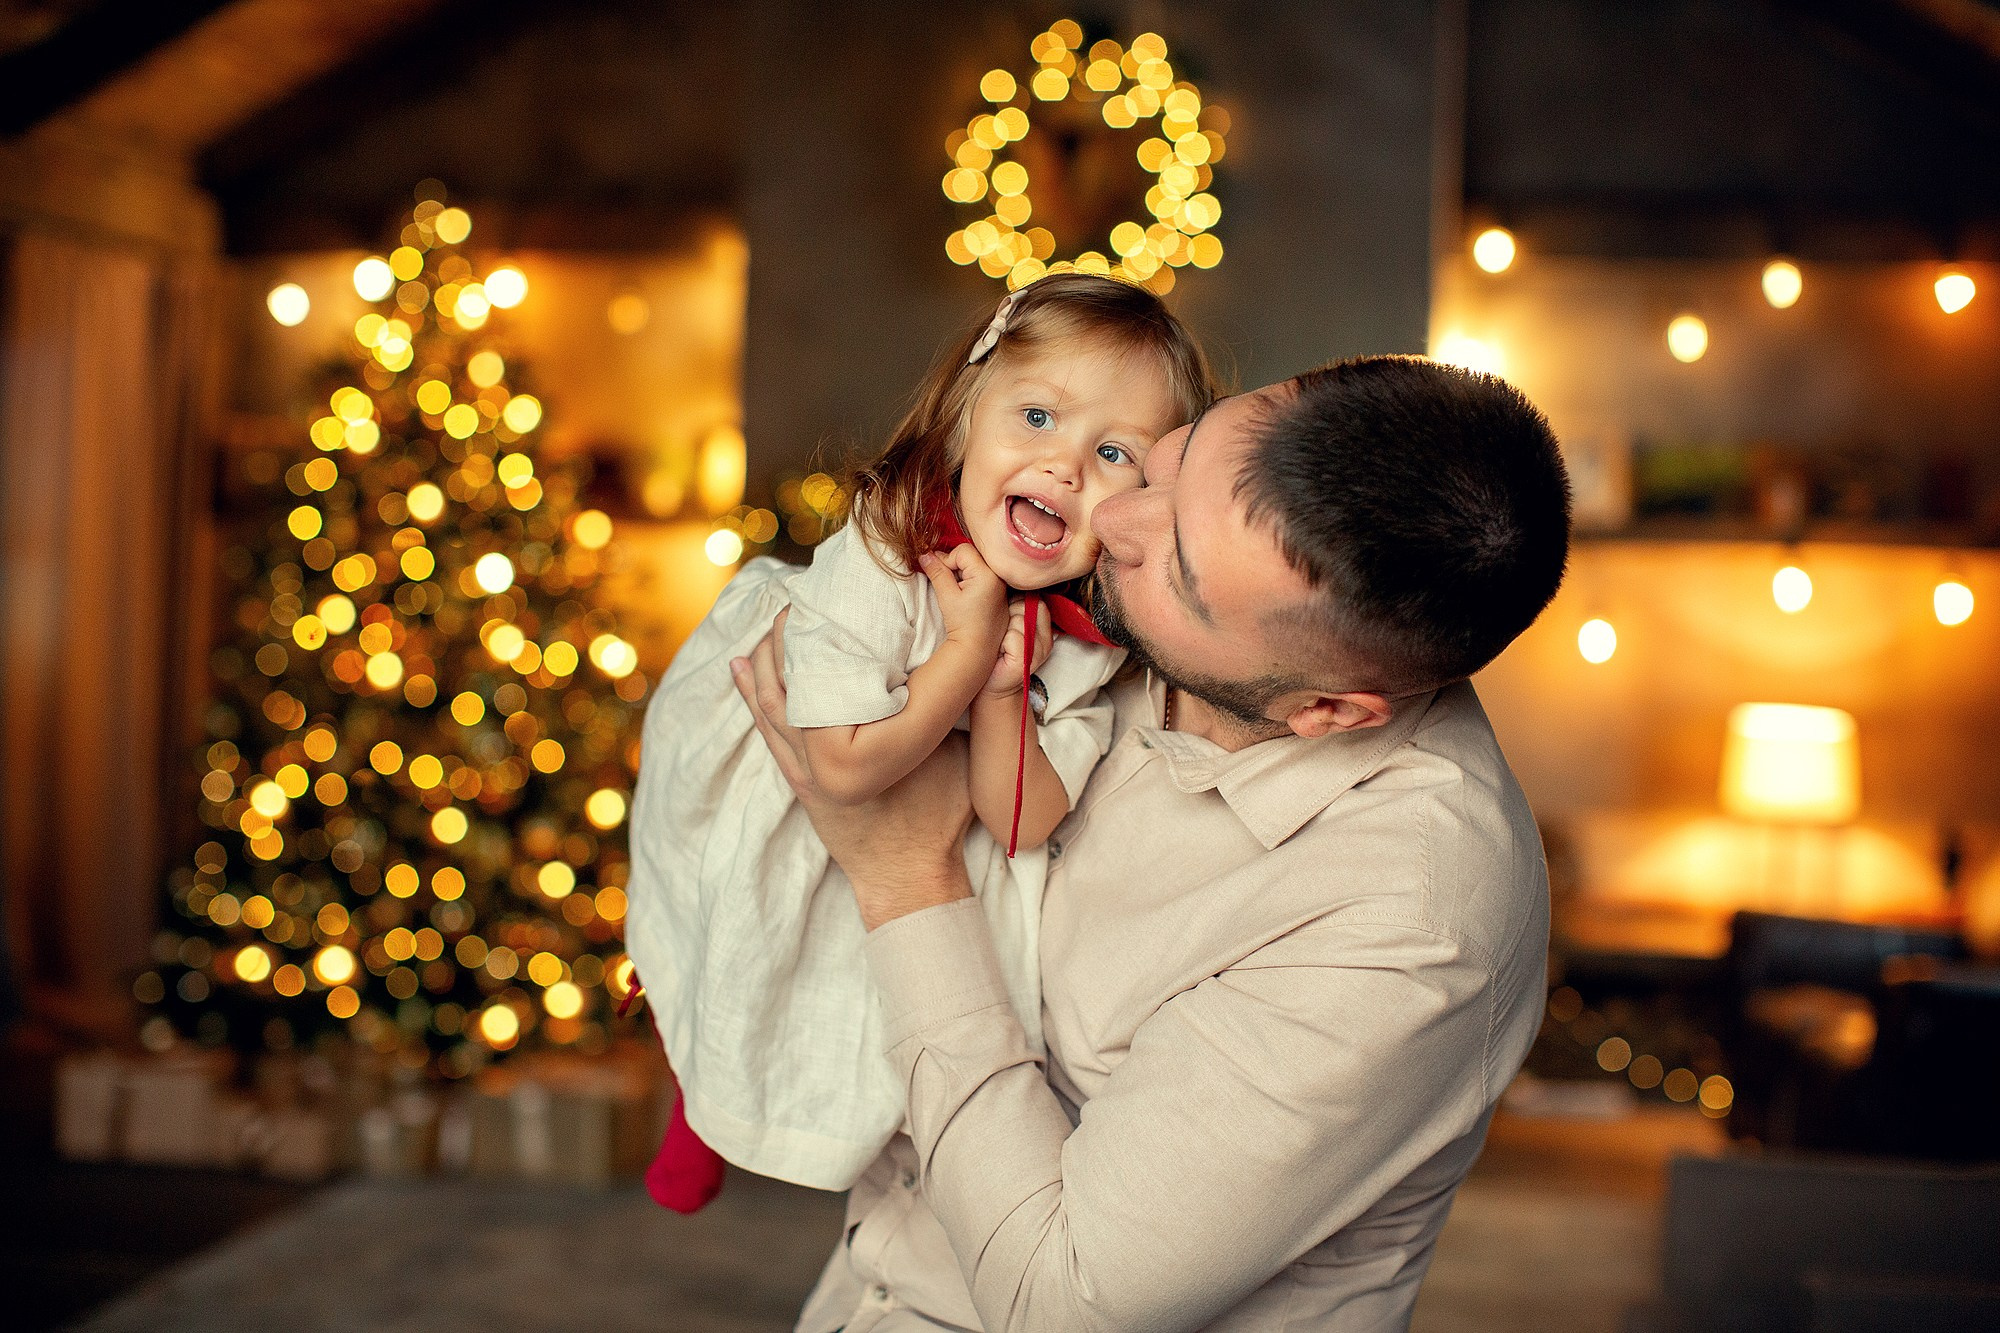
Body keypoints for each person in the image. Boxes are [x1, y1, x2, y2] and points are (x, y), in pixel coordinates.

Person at [730, 356, 1574, 1330]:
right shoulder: (1135, 609)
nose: (1113, 516)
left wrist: (901, 877)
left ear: (1328, 709)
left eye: (1176, 566)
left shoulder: (1408, 917)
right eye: (1180, 461)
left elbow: (1064, 1302)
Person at [624, 274, 1215, 1207]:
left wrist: (1004, 695)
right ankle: (696, 1079)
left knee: (877, 972)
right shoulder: (887, 543)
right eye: (1035, 417)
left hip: (911, 792)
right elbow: (846, 766)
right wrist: (971, 645)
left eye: (1112, 452)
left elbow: (1019, 819)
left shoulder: (1091, 649)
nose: (1064, 466)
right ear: (964, 423)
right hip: (801, 740)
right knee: (737, 915)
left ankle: (856, 1126)